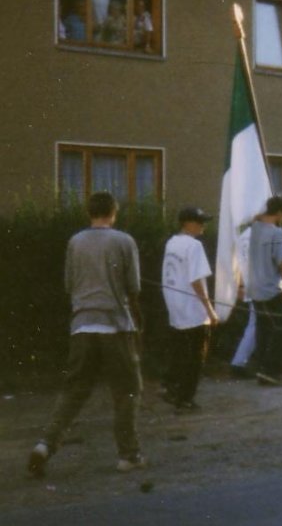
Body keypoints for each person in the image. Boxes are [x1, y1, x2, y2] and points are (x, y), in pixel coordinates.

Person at [27, 192, 145, 478]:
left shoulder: (75, 242)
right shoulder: (124, 241)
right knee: (127, 389)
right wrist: (138, 324)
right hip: (115, 325)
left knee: (74, 391)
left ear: (89, 212)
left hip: (82, 325)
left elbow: (69, 284)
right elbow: (133, 288)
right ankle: (128, 455)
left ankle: (45, 445)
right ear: (113, 213)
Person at [160, 207, 219, 411]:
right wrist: (210, 310)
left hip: (176, 307)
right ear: (187, 223)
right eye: (199, 221)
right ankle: (185, 399)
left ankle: (170, 387)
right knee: (195, 357)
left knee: (179, 352)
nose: (203, 225)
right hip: (193, 310)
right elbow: (196, 280)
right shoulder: (194, 246)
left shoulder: (172, 242)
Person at [247, 196, 282, 386]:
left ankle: (262, 368)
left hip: (255, 287)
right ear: (280, 213)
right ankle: (271, 369)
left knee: (264, 329)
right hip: (270, 288)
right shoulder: (277, 233)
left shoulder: (255, 228)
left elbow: (255, 218)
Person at [229, 226, 258, 379]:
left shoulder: (243, 236)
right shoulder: (262, 234)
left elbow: (238, 263)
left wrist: (239, 284)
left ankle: (241, 361)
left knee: (254, 325)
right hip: (260, 286)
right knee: (256, 325)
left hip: (249, 284)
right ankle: (240, 362)